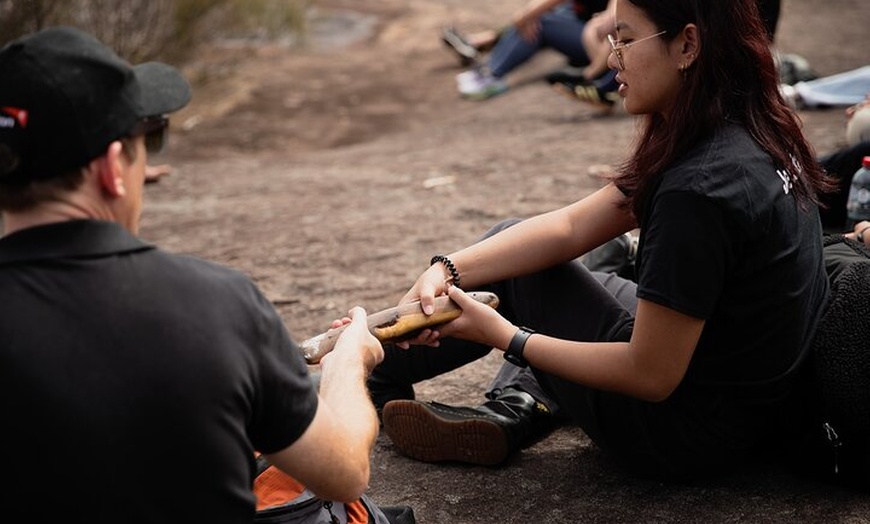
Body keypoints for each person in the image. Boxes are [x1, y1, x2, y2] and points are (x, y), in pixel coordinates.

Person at [370, 0, 834, 483]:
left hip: (684, 433)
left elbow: (650, 375)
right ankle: (505, 396)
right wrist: (444, 269)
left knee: (518, 276)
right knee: (510, 248)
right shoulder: (747, 122)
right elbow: (570, 228)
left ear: (687, 45)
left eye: (626, 40)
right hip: (749, 394)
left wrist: (505, 337)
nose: (611, 58)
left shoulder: (699, 189)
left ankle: (368, 380)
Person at [0, 26, 389, 522]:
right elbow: (345, 471)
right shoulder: (218, 305)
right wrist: (348, 364)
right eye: (150, 138)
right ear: (113, 167)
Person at [449, 0, 611, 101]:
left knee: (540, 21)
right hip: (590, 32)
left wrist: (590, 74)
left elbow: (613, 21)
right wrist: (527, 15)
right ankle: (485, 52)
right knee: (540, 16)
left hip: (602, 47)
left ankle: (491, 73)